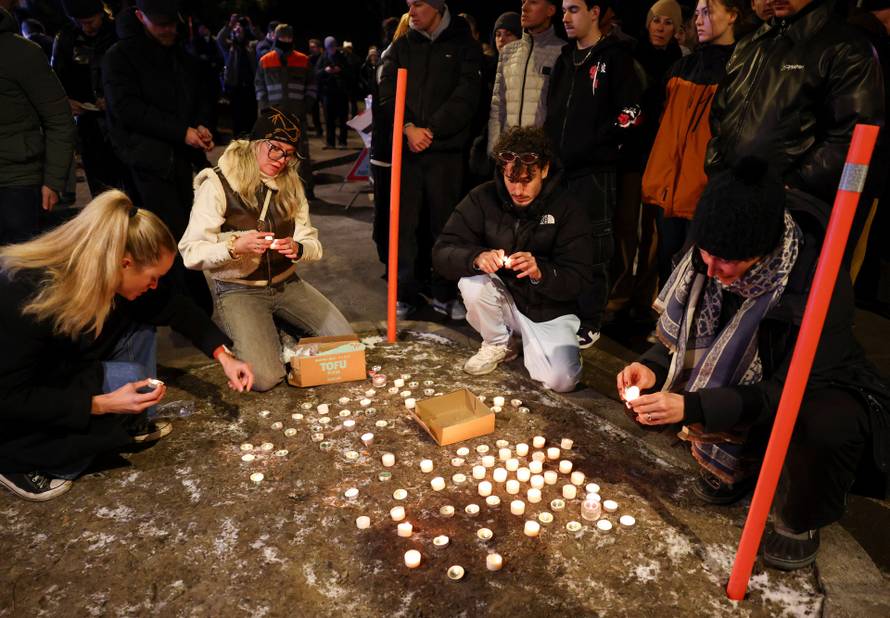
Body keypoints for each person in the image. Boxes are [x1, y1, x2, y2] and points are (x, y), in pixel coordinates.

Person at [617, 159, 889, 570]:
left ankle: (800, 516)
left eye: (724, 262)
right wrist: (654, 365)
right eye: (705, 256)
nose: (710, 271)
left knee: (824, 424)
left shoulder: (815, 287)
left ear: (760, 252)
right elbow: (687, 336)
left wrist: (691, 408)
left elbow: (782, 392)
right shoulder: (708, 258)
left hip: (814, 386)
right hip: (747, 393)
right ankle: (736, 468)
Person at [0, 190, 253, 502]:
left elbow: (174, 306)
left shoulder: (102, 271)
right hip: (15, 408)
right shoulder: (26, 296)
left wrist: (224, 356)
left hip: (59, 369)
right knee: (87, 446)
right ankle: (15, 464)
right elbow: (11, 399)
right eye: (151, 277)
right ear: (124, 263)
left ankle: (124, 419)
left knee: (140, 323)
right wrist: (102, 404)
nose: (154, 285)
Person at [179, 107, 353, 392]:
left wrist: (298, 248)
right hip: (240, 288)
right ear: (254, 144)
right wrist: (234, 246)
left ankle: (280, 331)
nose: (281, 161)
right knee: (265, 378)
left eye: (288, 153)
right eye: (274, 149)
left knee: (344, 345)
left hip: (288, 283)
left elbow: (313, 243)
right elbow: (191, 251)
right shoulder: (218, 183)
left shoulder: (291, 184)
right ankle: (267, 334)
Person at [433, 127, 592, 392]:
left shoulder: (568, 208)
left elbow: (579, 279)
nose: (518, 190)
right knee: (472, 282)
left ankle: (534, 343)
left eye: (526, 180)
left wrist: (541, 272)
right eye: (511, 179)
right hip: (504, 300)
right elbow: (442, 251)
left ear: (544, 170)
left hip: (547, 309)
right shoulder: (482, 197)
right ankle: (498, 343)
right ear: (502, 170)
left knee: (562, 381)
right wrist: (477, 257)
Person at [706, 0, 884, 206]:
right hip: (731, 198)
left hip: (796, 209)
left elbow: (854, 138)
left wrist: (794, 184)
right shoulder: (750, 44)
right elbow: (720, 116)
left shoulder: (848, 48)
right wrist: (717, 172)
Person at [544, 0, 643, 348]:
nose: (565, 17)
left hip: (595, 173)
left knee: (594, 247)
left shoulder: (615, 57)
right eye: (564, 10)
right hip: (559, 172)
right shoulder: (564, 59)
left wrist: (596, 146)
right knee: (560, 242)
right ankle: (564, 310)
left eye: (573, 9)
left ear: (595, 12)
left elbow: (631, 112)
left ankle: (591, 319)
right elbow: (552, 113)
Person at [378, 0, 483, 319]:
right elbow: (386, 91)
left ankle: (444, 294)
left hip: (446, 155)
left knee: (444, 227)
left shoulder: (464, 45)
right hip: (408, 151)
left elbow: (467, 97)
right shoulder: (402, 45)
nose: (412, 12)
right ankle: (406, 293)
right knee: (404, 227)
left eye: (419, 4)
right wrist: (409, 128)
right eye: (408, 5)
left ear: (438, 7)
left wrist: (432, 130)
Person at [642, 0, 742, 287]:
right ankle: (664, 325)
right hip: (670, 187)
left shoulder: (742, 69)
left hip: (706, 189)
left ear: (733, 15)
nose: (698, 20)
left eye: (707, 12)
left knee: (699, 272)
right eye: (696, 14)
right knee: (667, 260)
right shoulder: (681, 67)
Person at [608, 0, 683, 325]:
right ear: (648, 23)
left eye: (668, 23)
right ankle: (619, 295)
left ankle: (645, 296)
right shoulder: (632, 54)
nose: (661, 28)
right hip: (631, 155)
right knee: (625, 225)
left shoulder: (681, 62)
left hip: (663, 155)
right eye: (657, 21)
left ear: (676, 28)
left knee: (654, 232)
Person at [0, 0, 76, 245]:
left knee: (22, 271)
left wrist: (53, 181)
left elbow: (59, 119)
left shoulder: (21, 53)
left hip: (17, 183)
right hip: (16, 181)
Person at [53, 0, 125, 197]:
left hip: (122, 122)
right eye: (81, 22)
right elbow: (55, 79)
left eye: (90, 21)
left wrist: (114, 99)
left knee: (127, 182)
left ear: (101, 13)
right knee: (99, 184)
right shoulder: (67, 38)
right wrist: (66, 101)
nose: (87, 27)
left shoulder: (118, 33)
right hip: (88, 124)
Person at [488, 0, 564, 152]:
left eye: (533, 2)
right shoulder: (508, 52)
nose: (524, 7)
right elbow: (497, 106)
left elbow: (561, 112)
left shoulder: (562, 52)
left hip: (541, 155)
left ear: (550, 10)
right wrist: (494, 150)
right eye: (523, 2)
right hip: (508, 154)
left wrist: (551, 154)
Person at [255, 23, 318, 197]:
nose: (285, 40)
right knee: (274, 155)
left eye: (288, 37)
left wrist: (306, 106)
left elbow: (312, 86)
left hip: (297, 116)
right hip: (274, 117)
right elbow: (259, 87)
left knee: (301, 154)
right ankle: (276, 191)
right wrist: (265, 108)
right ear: (275, 38)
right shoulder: (265, 60)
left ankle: (306, 191)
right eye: (282, 37)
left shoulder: (303, 60)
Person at [217, 14, 257, 137]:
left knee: (251, 118)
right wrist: (230, 25)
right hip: (236, 88)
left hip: (251, 87)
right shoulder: (230, 46)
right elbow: (220, 39)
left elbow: (263, 39)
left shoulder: (251, 45)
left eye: (241, 28)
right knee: (237, 119)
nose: (238, 30)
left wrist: (251, 26)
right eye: (236, 28)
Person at [316, 36, 351, 149]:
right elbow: (316, 73)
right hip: (328, 92)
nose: (331, 48)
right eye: (329, 47)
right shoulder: (323, 57)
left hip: (341, 92)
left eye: (332, 46)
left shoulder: (342, 57)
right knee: (329, 119)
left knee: (342, 118)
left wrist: (339, 70)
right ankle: (330, 142)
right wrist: (325, 71)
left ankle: (342, 142)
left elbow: (350, 73)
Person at [307, 38, 324, 137]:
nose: (311, 49)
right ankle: (319, 130)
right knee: (315, 111)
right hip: (314, 87)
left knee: (326, 111)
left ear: (318, 48)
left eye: (313, 47)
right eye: (310, 47)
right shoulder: (308, 59)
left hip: (322, 87)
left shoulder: (323, 57)